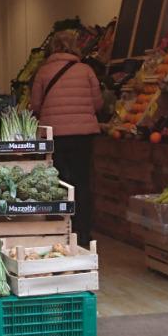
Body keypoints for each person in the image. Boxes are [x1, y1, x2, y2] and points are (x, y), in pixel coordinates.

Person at [29, 29, 101, 245]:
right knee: (82, 181)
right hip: (83, 136)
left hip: (55, 135)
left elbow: (35, 105)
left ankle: (60, 230)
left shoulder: (43, 72)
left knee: (58, 180)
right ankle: (83, 232)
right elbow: (98, 103)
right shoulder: (86, 70)